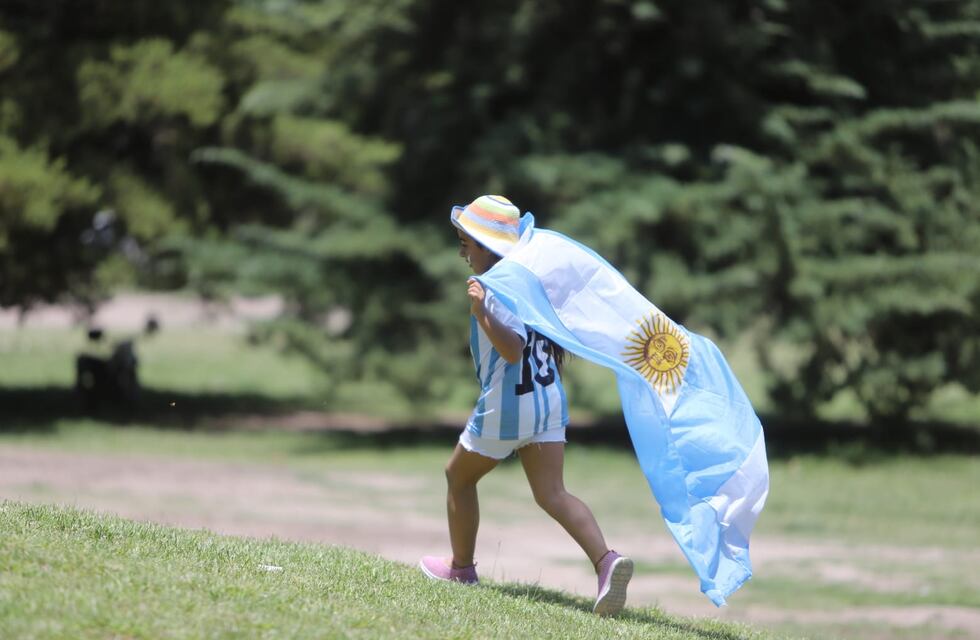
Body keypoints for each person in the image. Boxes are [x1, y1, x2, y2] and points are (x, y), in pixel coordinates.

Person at [418, 195, 633, 616]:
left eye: (466, 244)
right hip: (549, 402)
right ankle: (607, 563)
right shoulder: (528, 281)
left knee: (457, 477)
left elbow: (513, 349)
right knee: (552, 493)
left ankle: (461, 569)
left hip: (509, 404)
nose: (462, 253)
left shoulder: (497, 288)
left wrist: (482, 312)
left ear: (486, 247)